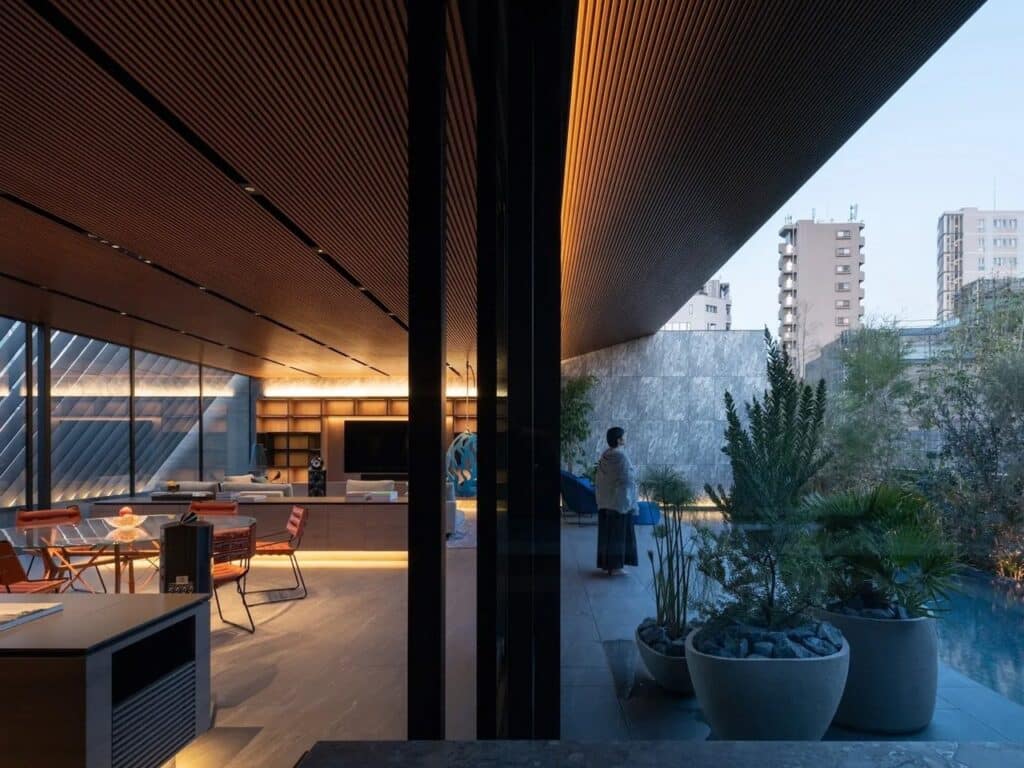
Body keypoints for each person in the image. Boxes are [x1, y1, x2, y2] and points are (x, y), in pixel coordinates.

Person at [594, 426, 638, 574]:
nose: (625, 438)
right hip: (619, 502)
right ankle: (616, 567)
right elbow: (628, 479)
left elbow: (601, 479)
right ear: (619, 440)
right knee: (618, 535)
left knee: (607, 534)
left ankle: (607, 565)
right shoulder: (621, 457)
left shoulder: (604, 456)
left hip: (605, 500)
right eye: (624, 436)